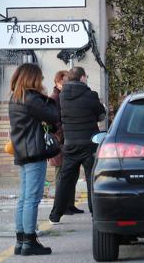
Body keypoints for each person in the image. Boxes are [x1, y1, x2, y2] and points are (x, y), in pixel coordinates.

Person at [9, 63, 58, 255]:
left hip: (22, 151)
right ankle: (30, 241)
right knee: (32, 198)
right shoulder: (32, 98)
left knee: (23, 197)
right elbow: (53, 115)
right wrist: (45, 95)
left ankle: (21, 241)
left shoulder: (15, 97)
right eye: (40, 78)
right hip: (34, 152)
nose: (42, 81)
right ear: (33, 79)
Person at [49, 67, 105, 224]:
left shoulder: (62, 97)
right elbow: (101, 116)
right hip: (89, 144)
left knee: (64, 180)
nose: (86, 79)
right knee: (91, 179)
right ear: (81, 78)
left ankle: (55, 215)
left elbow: (57, 117)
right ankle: (96, 214)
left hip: (70, 144)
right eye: (86, 76)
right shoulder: (91, 95)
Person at [48, 70, 83, 215]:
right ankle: (61, 207)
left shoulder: (64, 96)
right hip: (60, 142)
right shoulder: (55, 98)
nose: (64, 85)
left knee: (71, 175)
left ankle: (70, 204)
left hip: (66, 141)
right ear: (57, 83)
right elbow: (54, 121)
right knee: (61, 177)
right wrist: (62, 134)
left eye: (66, 82)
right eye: (62, 82)